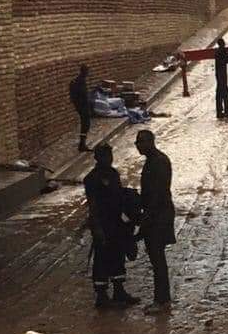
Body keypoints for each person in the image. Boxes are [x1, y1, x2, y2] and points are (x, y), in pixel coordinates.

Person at [83, 144, 140, 308]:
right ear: (97, 157)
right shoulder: (92, 179)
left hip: (117, 223)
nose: (108, 159)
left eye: (109, 155)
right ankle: (101, 295)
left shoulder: (113, 174)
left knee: (118, 256)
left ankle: (119, 290)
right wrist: (97, 228)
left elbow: (119, 197)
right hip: (102, 223)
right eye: (104, 156)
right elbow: (92, 206)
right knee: (102, 258)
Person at [135, 130, 175, 313]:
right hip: (158, 213)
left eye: (141, 142)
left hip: (159, 215)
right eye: (137, 143)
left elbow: (157, 193)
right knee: (156, 257)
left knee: (157, 257)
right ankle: (162, 298)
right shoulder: (154, 161)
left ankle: (162, 299)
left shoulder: (158, 162)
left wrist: (147, 217)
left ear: (150, 142)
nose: (138, 146)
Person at [70, 64, 92, 153]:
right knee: (85, 124)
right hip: (82, 106)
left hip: (81, 106)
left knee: (85, 124)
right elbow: (82, 95)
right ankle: (82, 144)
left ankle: (82, 143)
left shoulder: (77, 81)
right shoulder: (80, 82)